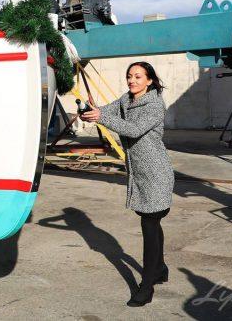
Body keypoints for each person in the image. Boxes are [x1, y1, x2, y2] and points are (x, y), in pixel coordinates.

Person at [80, 61, 174, 307]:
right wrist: (91, 112)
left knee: (149, 225)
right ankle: (161, 268)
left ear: (150, 80)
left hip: (156, 174)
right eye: (130, 76)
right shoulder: (127, 99)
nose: (132, 80)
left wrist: (102, 117)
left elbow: (133, 129)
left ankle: (147, 286)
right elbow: (106, 111)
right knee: (152, 223)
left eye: (138, 76)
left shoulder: (154, 104)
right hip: (139, 173)